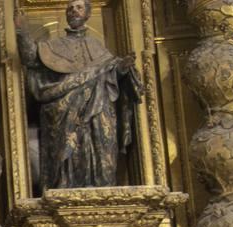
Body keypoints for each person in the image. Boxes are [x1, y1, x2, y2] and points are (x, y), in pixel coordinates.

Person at [16, 0, 141, 190]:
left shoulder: (97, 46)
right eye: (70, 8)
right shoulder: (54, 46)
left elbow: (109, 72)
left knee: (102, 149)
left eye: (79, 7)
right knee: (67, 154)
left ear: (88, 14)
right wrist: (22, 32)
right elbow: (31, 58)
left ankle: (102, 187)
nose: (73, 11)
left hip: (99, 110)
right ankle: (65, 186)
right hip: (65, 112)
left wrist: (122, 69)